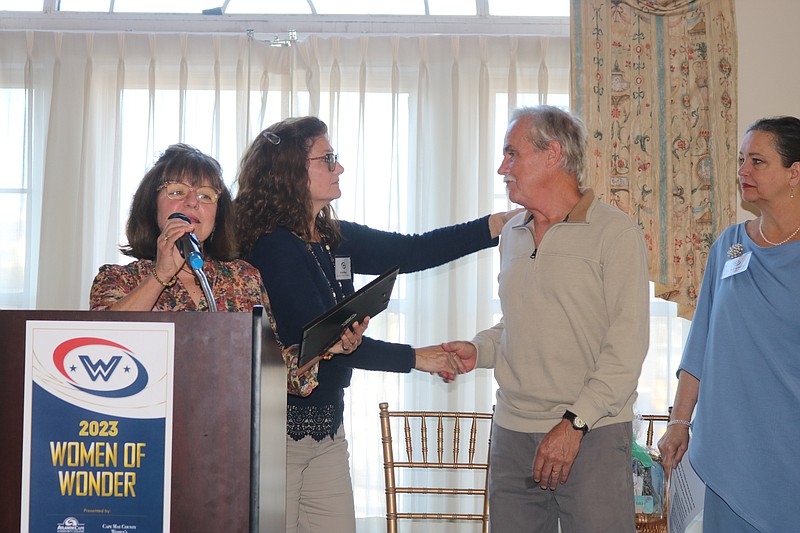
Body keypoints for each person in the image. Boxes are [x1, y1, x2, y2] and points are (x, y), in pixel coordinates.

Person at [233, 116, 513, 533]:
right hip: (279, 435)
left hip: (327, 428)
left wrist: (493, 227)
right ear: (290, 171)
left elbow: (413, 250)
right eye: (327, 158)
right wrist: (417, 358)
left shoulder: (329, 235)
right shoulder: (273, 246)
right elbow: (323, 337)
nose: (339, 167)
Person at [440, 106, 650, 533]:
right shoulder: (512, 234)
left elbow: (627, 348)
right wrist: (478, 350)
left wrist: (574, 425)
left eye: (512, 154)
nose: (503, 167)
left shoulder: (616, 233)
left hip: (591, 434)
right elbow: (515, 325)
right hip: (513, 434)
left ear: (553, 154)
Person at [89, 143, 362, 394]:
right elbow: (102, 344)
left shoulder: (244, 278)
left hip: (227, 436)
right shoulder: (117, 278)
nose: (193, 202)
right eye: (177, 192)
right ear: (151, 206)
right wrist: (161, 274)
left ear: (217, 216)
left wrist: (324, 346)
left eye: (206, 196)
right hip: (148, 434)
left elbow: (273, 369)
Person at [658, 116, 800, 533]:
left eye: (757, 161)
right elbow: (700, 342)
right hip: (728, 447)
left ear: (795, 172)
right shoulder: (730, 245)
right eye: (741, 160)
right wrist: (679, 423)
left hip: (788, 443)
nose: (743, 172)